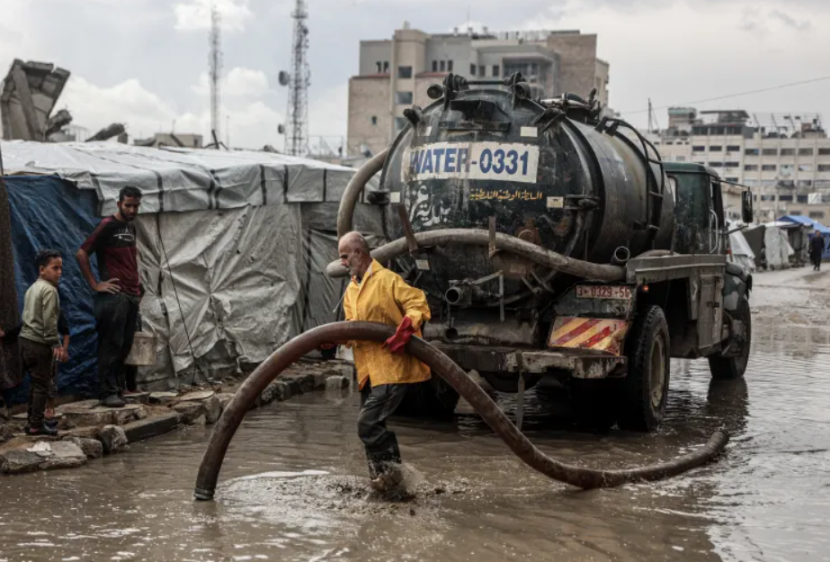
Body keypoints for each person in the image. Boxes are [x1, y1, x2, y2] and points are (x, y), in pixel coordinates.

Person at [335, 231, 431, 492]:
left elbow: (418, 303)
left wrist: (405, 330)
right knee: (371, 427)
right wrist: (334, 338)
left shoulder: (387, 280)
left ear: (358, 252)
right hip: (368, 373)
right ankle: (383, 484)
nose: (342, 262)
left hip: (392, 368)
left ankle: (393, 477)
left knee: (367, 425)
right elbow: (354, 329)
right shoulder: (351, 290)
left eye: (345, 256)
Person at [76, 186, 143, 408]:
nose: (132, 210)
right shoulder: (107, 225)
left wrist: (137, 286)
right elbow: (82, 253)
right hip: (114, 296)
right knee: (111, 345)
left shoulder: (130, 227)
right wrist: (95, 284)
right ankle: (107, 392)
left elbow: (129, 260)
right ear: (119, 204)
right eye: (128, 205)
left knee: (125, 346)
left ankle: (119, 388)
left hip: (131, 294)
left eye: (136, 206)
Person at [19, 250, 69, 436]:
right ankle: (36, 425)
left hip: (25, 341)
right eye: (55, 268)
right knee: (42, 386)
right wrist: (55, 343)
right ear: (42, 270)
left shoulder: (32, 288)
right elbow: (49, 320)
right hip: (39, 343)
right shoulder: (49, 290)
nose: (59, 272)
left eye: (61, 268)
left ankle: (32, 421)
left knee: (35, 384)